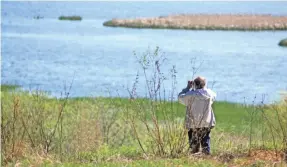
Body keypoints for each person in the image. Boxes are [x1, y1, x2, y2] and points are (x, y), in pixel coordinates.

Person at [178, 76, 216, 155]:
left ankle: (194, 156)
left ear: (195, 84)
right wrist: (203, 87)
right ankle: (206, 156)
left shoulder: (190, 95)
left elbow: (180, 97)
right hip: (206, 123)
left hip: (193, 124)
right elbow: (213, 95)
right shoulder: (209, 94)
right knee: (205, 142)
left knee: (194, 145)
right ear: (204, 84)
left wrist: (188, 88)